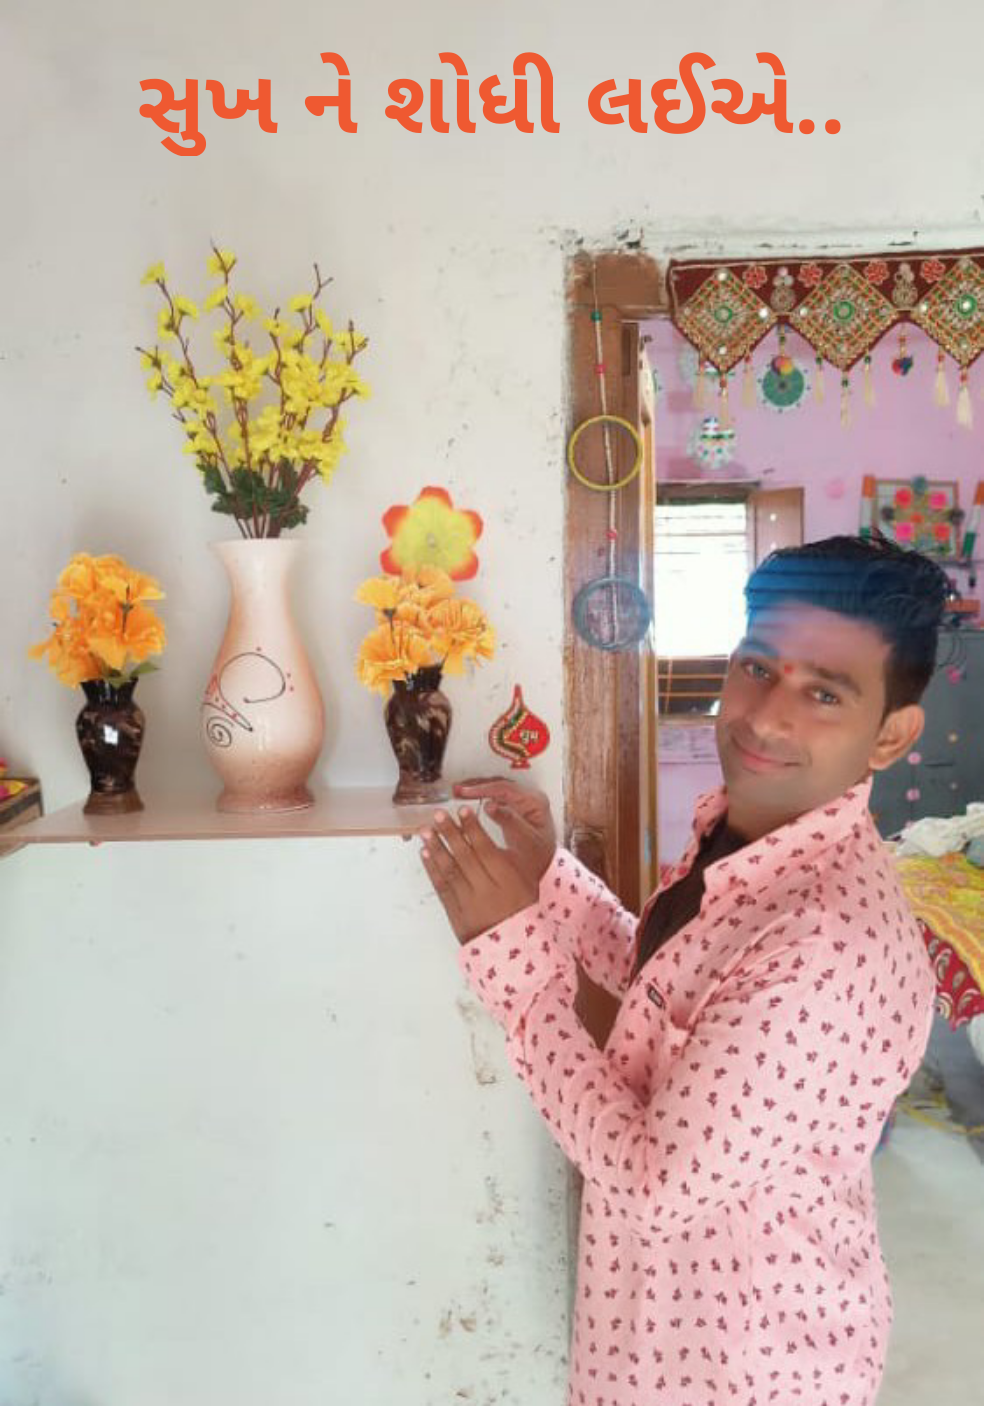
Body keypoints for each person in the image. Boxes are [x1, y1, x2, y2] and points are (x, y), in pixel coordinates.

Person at [418, 535, 949, 1406]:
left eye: (824, 693)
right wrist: (549, 875)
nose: (765, 718)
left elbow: (652, 1184)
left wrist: (512, 959)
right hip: (650, 1333)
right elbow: (665, 991)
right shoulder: (748, 836)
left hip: (747, 1369)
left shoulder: (824, 946)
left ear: (891, 734)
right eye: (757, 668)